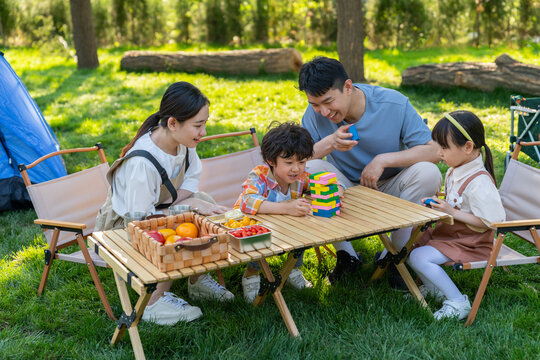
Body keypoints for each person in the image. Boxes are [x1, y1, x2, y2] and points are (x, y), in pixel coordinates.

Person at [95, 82, 234, 325]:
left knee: (205, 203)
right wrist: (188, 208)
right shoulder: (143, 162)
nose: (203, 132)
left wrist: (192, 202)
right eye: (198, 125)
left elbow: (190, 184)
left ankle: (197, 280)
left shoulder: (183, 144)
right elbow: (140, 219)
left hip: (152, 211)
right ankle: (152, 302)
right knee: (184, 224)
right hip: (122, 226)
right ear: (172, 123)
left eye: (205, 123)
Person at [298, 56, 442, 287]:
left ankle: (394, 255)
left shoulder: (393, 103)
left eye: (328, 102)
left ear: (347, 87)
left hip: (393, 186)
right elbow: (297, 159)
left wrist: (383, 160)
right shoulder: (313, 114)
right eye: (315, 104)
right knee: (312, 168)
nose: (323, 111)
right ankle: (347, 255)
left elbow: (435, 151)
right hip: (347, 189)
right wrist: (330, 143)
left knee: (429, 173)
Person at [407, 111, 505, 320]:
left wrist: (451, 212)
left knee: (419, 256)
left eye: (444, 147)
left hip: (472, 243)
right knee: (412, 241)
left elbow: (493, 223)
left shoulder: (480, 183)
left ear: (468, 147)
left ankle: (458, 301)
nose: (439, 152)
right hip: (453, 236)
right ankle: (434, 288)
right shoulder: (455, 169)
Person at [234, 122, 340, 302]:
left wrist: (336, 189)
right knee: (257, 237)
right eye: (289, 162)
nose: (296, 168)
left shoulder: (301, 177)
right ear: (271, 160)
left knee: (304, 226)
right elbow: (246, 201)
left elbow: (322, 186)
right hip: (254, 230)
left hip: (288, 227)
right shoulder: (260, 175)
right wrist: (286, 208)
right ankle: (251, 274)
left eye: (302, 162)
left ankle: (292, 269)